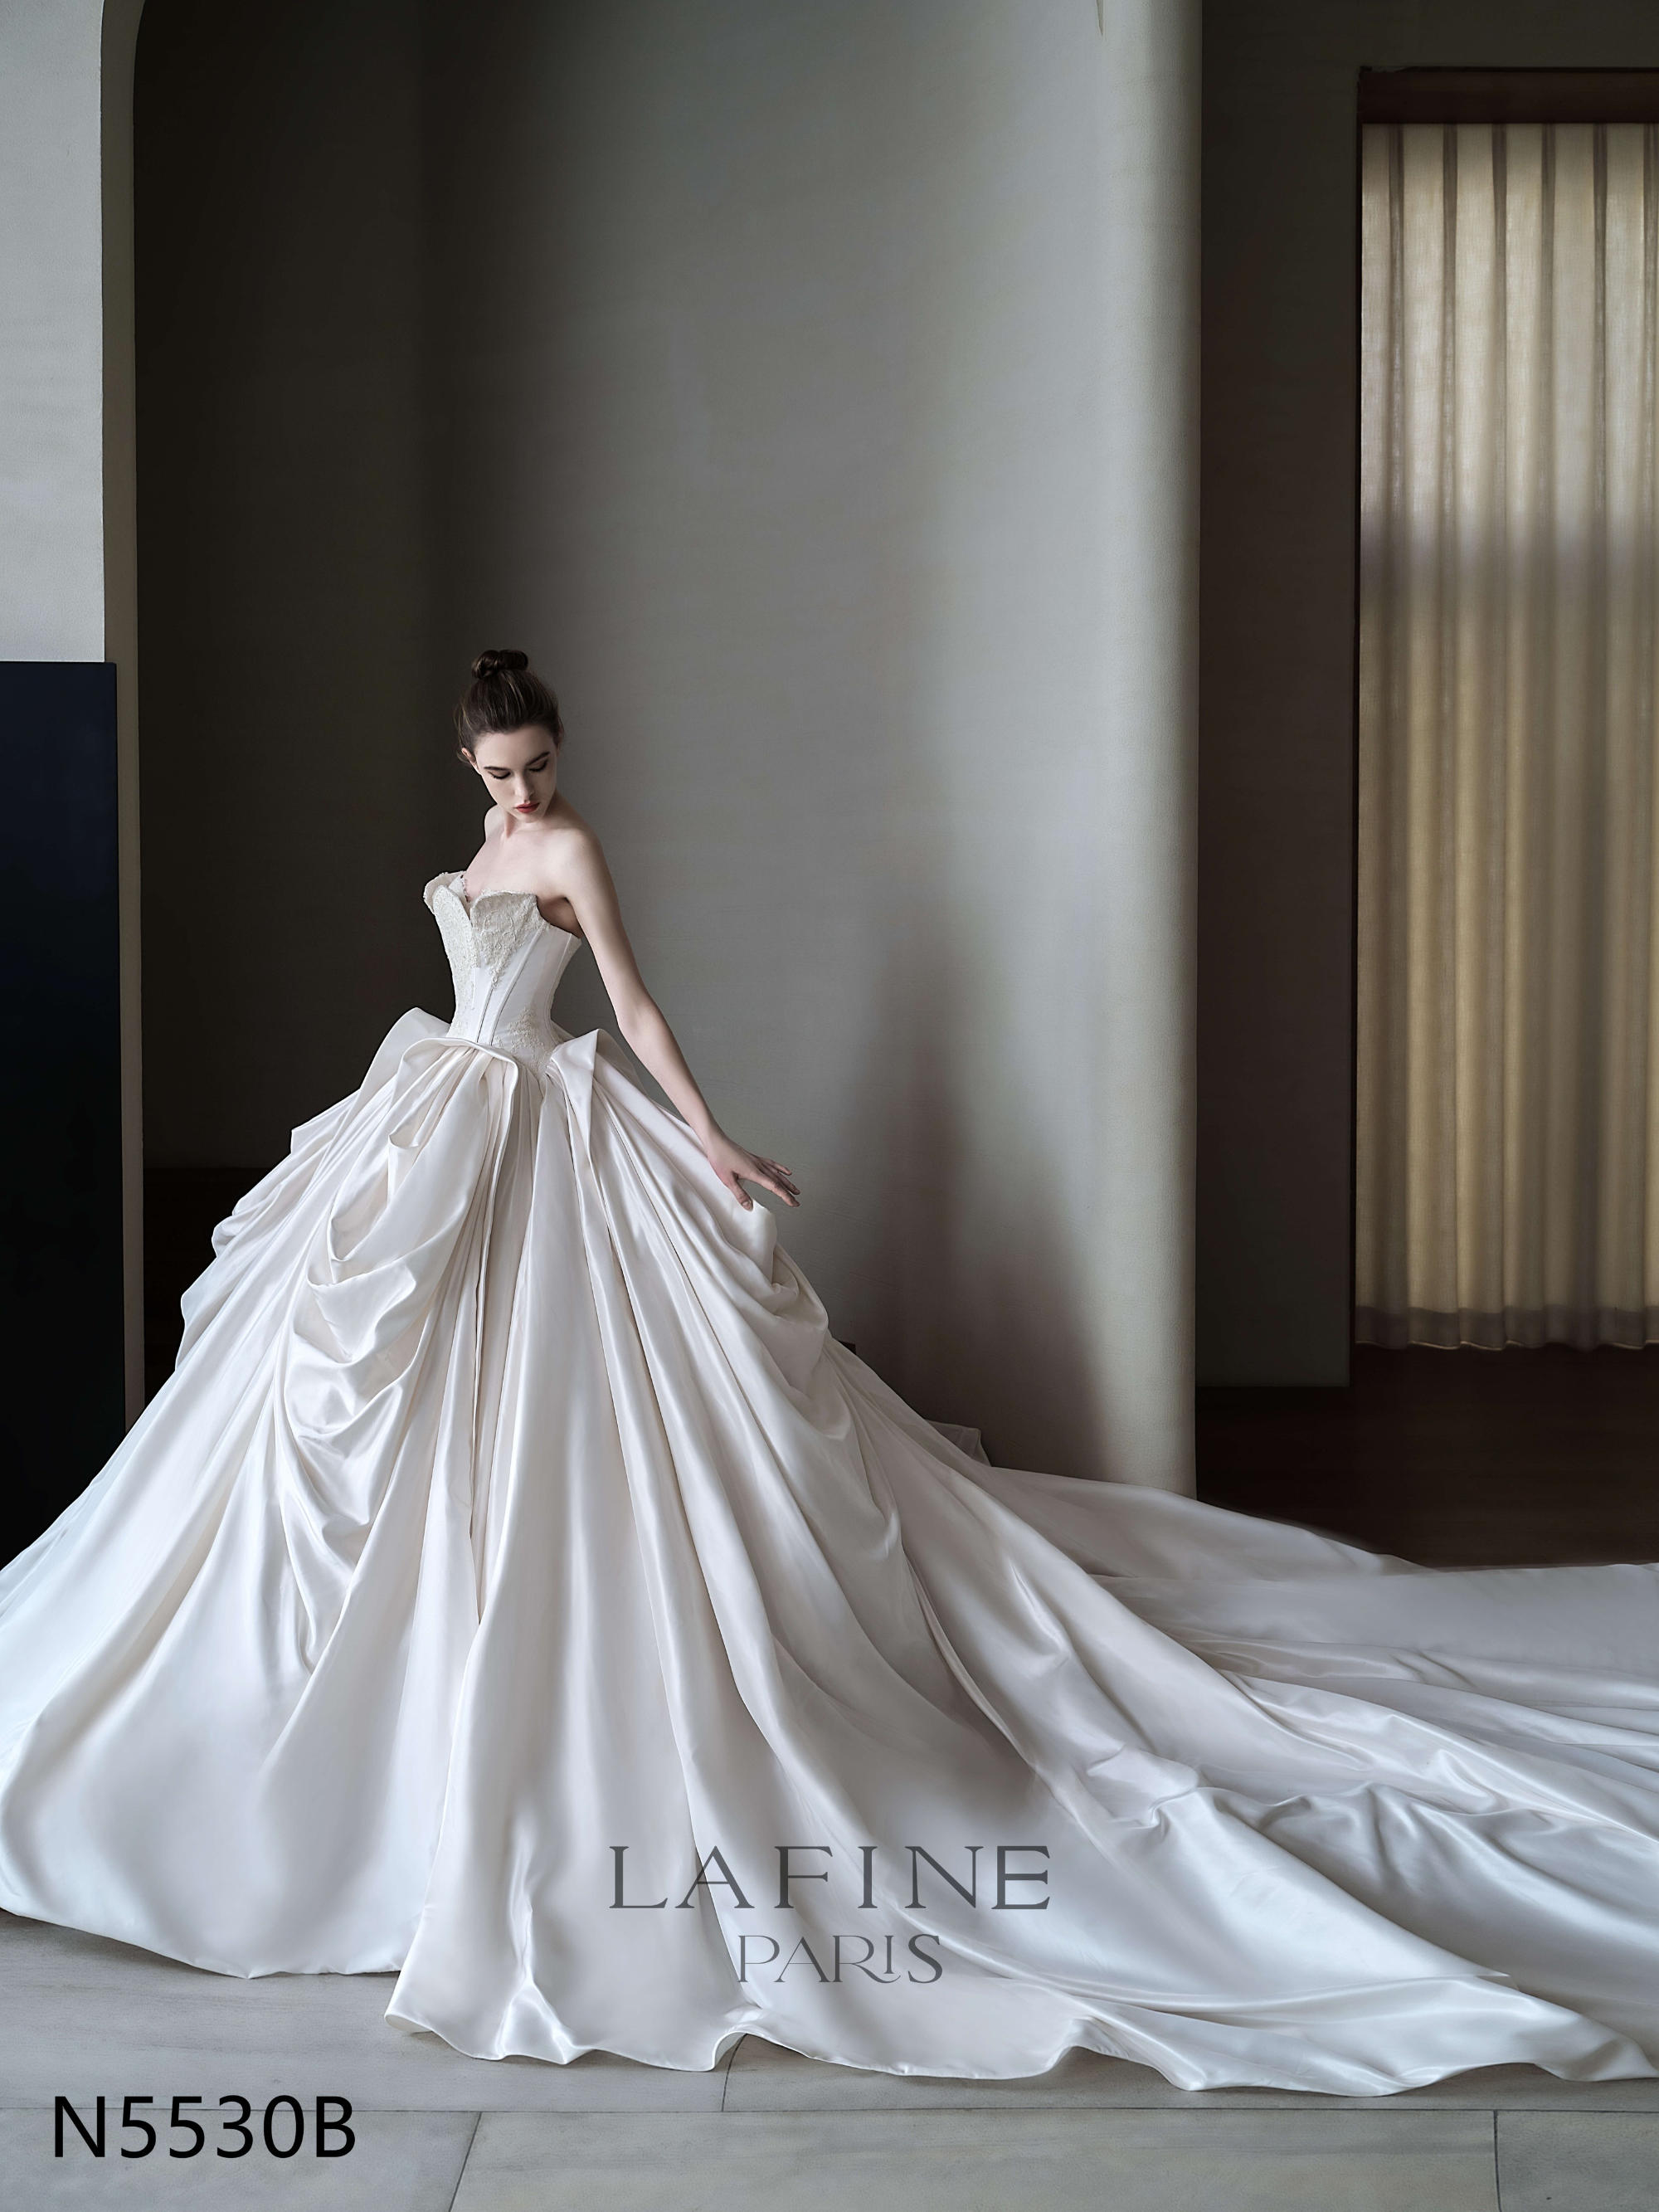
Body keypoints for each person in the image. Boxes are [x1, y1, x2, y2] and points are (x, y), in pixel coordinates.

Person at [4, 649, 1659, 2094]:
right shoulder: (490, 843)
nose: (524, 791)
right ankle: (389, 1725)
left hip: (539, 1121)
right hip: (442, 1114)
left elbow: (632, 1007)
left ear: (560, 757)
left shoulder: (568, 846)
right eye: (501, 772)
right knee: (382, 1407)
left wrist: (714, 1142)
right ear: (466, 762)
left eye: (540, 766)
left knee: (577, 1423)